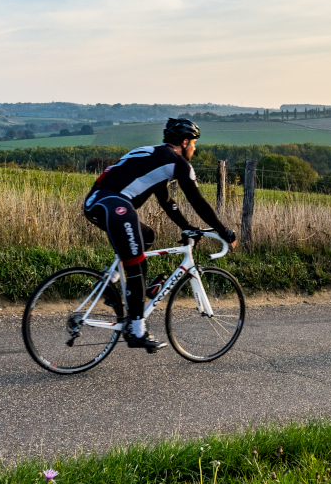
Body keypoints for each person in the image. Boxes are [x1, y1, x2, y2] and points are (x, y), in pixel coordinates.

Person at [83, 118, 237, 352]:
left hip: (98, 202)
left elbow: (167, 202)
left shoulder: (156, 157)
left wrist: (186, 227)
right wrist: (223, 230)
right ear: (184, 142)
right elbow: (197, 201)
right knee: (136, 265)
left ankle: (111, 281)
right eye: (194, 143)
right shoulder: (177, 163)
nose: (194, 149)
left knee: (146, 236)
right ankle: (137, 331)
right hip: (114, 204)